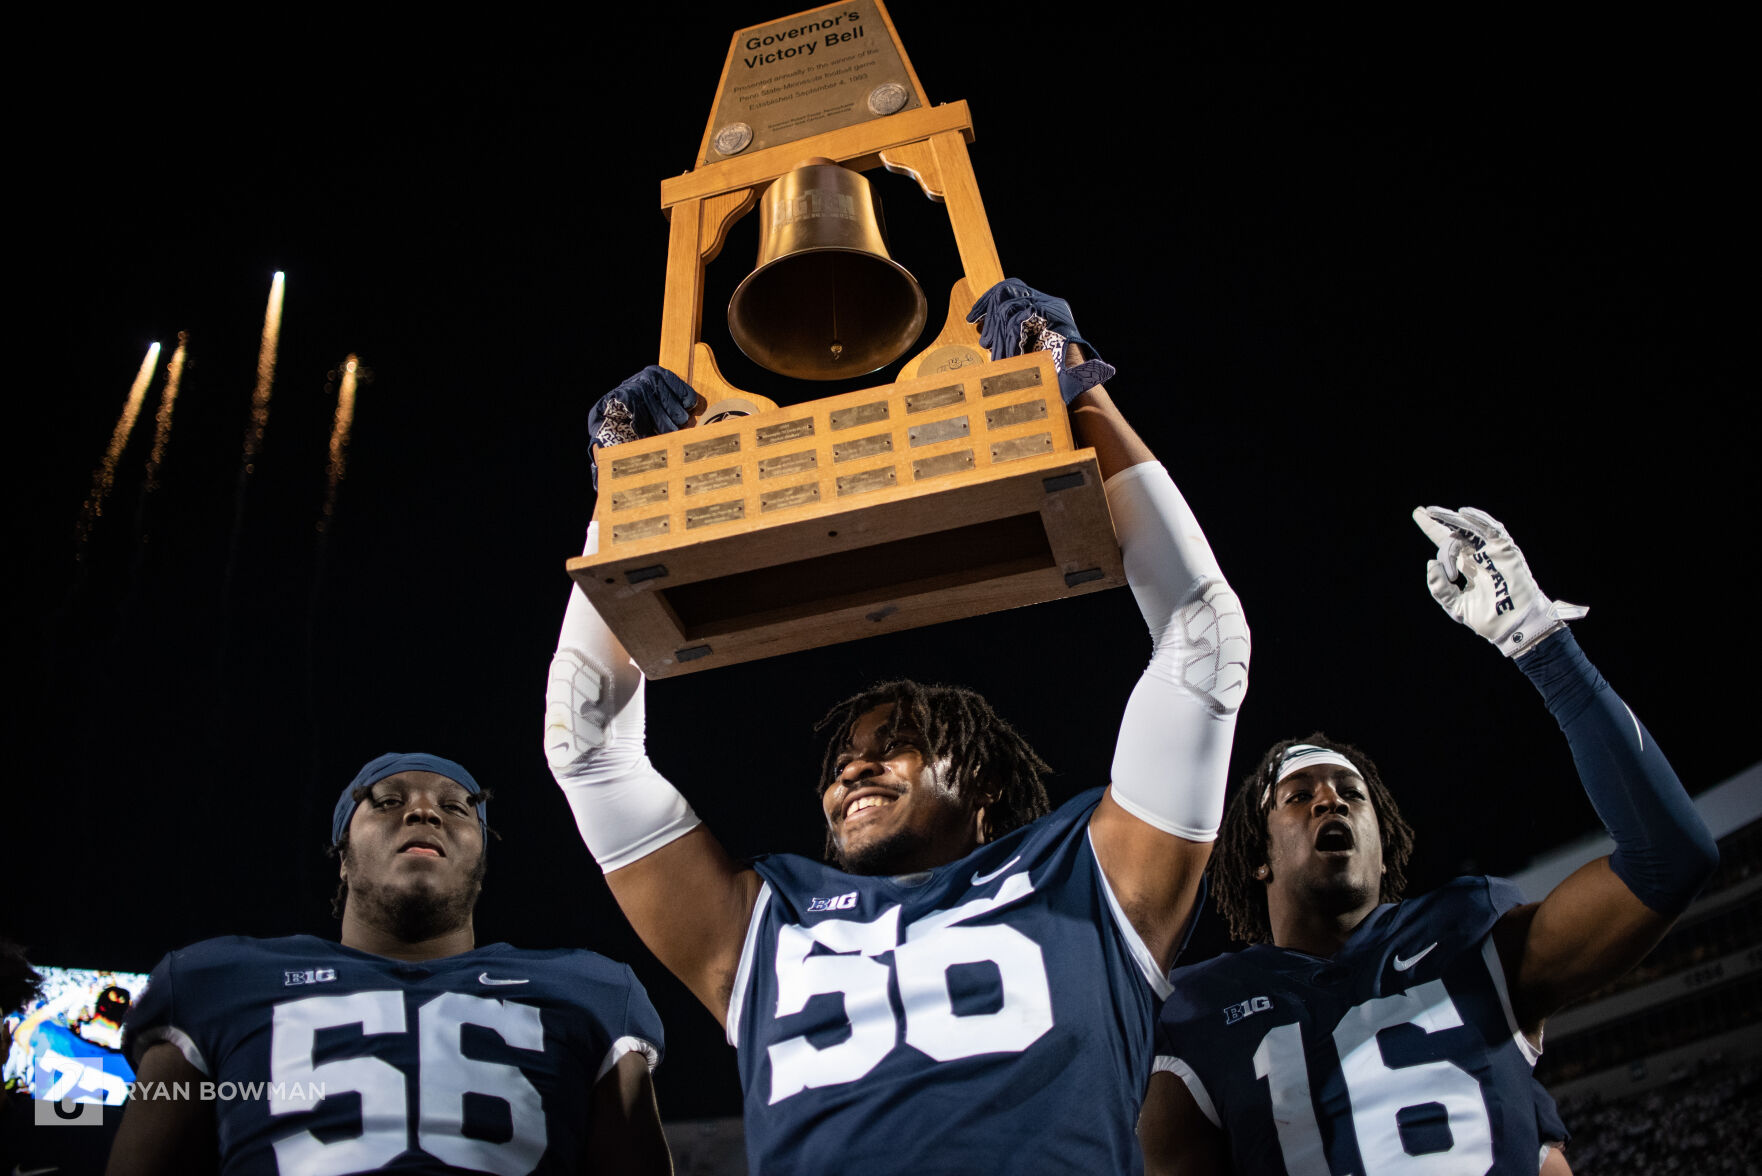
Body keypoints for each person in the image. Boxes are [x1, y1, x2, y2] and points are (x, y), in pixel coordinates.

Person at [545, 281, 1251, 1173]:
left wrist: (1076, 385)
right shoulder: (766, 922)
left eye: (894, 746)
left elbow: (1204, 641)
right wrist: (625, 496)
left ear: (986, 784)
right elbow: (584, 738)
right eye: (841, 760)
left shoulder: (1091, 881)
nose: (853, 771)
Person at [1139, 506, 1719, 1175]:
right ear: (1258, 860)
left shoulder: (1472, 934)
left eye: (1352, 795)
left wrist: (1544, 649)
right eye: (1299, 797)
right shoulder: (1197, 1009)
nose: (1331, 798)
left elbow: (1671, 861)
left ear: (1386, 848)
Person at [108, 752, 671, 1175]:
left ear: (480, 863)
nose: (424, 811)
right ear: (342, 858)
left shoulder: (588, 989)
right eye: (387, 800)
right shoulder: (218, 981)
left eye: (454, 807)